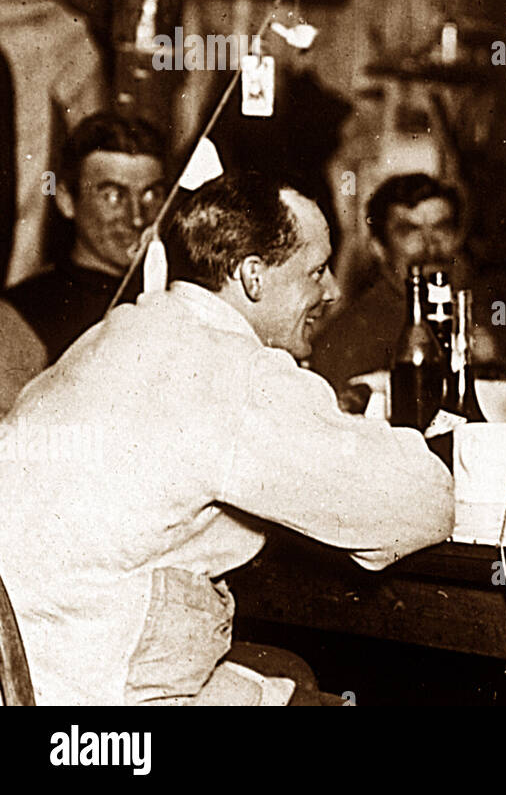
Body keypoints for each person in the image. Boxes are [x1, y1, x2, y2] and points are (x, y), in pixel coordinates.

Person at [0, 171, 454, 705]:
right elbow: (420, 505)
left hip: (38, 663)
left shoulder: (117, 332)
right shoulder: (233, 369)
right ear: (253, 277)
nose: (331, 291)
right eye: (316, 271)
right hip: (98, 694)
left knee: (288, 675)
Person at [3, 112, 165, 361]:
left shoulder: (178, 293)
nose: (137, 218)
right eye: (113, 195)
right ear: (67, 200)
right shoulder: (21, 314)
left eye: (150, 195)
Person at [310, 172, 468, 393]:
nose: (431, 245)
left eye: (442, 227)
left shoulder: (474, 315)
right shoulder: (349, 336)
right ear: (378, 248)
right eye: (409, 231)